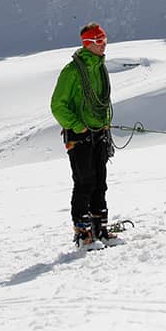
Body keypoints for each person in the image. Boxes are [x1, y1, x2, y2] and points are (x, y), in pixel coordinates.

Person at [50, 22, 114, 245]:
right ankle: (82, 232)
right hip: (79, 135)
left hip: (98, 132)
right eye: (99, 42)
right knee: (84, 181)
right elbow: (58, 105)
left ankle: (100, 229)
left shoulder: (99, 68)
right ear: (88, 44)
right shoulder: (72, 71)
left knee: (100, 182)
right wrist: (77, 126)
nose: (103, 45)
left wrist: (105, 123)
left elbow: (102, 101)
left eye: (104, 40)